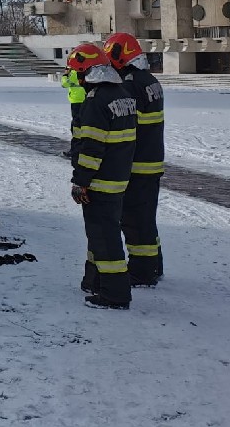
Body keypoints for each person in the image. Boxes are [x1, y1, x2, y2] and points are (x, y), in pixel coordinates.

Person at [67, 41, 137, 310]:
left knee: (104, 237)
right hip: (119, 177)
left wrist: (81, 182)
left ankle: (115, 294)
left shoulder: (96, 101)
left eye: (77, 72)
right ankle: (95, 281)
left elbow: (92, 148)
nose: (76, 78)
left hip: (100, 181)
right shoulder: (121, 94)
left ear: (86, 72)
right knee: (101, 234)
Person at [103, 32, 165, 286]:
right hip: (151, 161)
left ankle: (141, 271)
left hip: (136, 165)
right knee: (146, 218)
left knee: (134, 220)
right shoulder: (149, 80)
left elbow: (124, 127)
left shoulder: (129, 84)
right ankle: (153, 265)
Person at [60, 63, 87, 157]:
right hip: (86, 100)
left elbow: (65, 84)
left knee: (76, 127)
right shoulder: (87, 70)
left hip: (77, 101)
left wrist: (65, 74)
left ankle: (75, 150)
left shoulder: (75, 72)